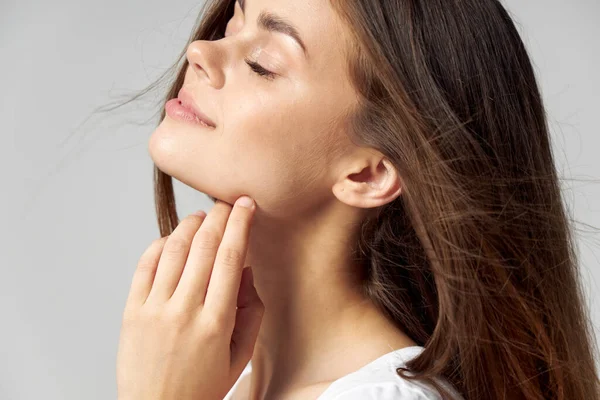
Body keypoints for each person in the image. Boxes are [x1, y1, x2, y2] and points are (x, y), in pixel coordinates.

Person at [118, 0, 600, 398]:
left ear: (369, 173)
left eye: (262, 64)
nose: (201, 49)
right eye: (232, 21)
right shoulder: (217, 381)